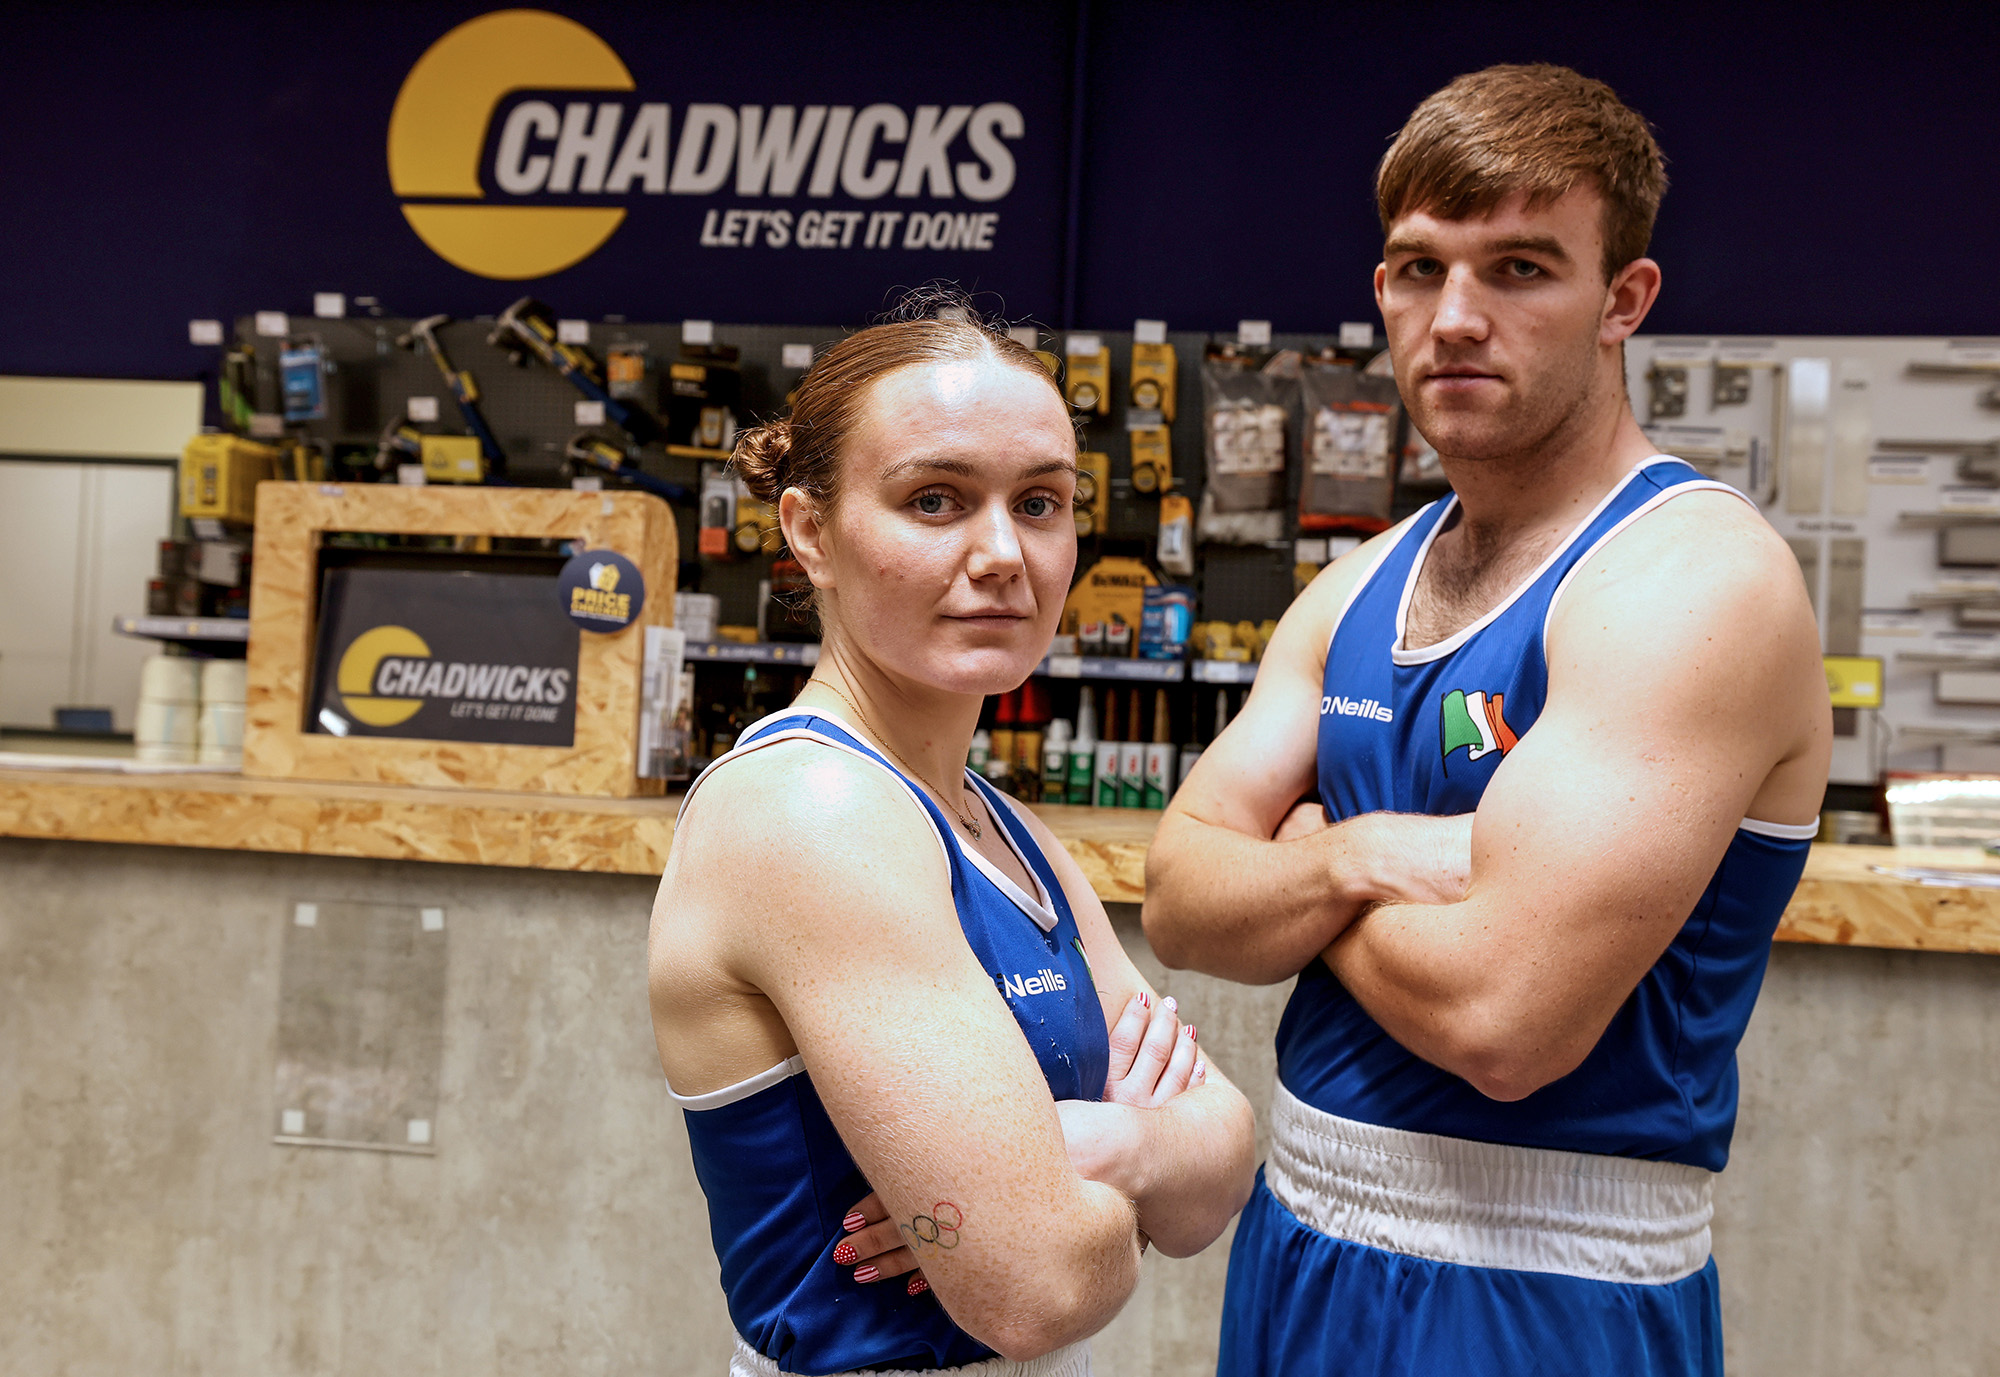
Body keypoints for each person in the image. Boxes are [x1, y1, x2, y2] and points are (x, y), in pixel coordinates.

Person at [1142, 65, 1831, 1377]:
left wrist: (1292, 863)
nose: (1455, 318)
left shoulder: (1690, 581)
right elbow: (1177, 898)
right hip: (1295, 1241)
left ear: (1623, 300)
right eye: (1420, 269)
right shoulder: (1360, 584)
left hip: (1536, 1291)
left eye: (1520, 268)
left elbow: (1503, 1022)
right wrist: (1354, 857)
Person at [649, 308, 1257, 1377]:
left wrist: (1108, 1146)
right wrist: (1124, 1177)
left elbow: (1223, 1175)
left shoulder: (1002, 826)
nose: (1003, 555)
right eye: (934, 500)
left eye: (1040, 503)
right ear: (809, 531)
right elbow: (1038, 1287)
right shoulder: (811, 812)